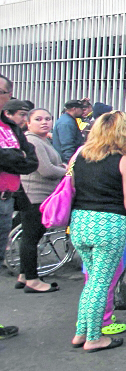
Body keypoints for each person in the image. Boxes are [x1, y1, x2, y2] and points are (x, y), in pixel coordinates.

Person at [69, 112, 126, 352]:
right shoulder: (124, 160)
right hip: (108, 224)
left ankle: (81, 331)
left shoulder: (80, 156)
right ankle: (94, 337)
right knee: (101, 283)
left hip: (80, 222)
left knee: (91, 282)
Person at [18, 108, 67, 293]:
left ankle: (24, 275)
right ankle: (32, 280)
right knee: (31, 238)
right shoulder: (32, 140)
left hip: (41, 195)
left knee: (31, 237)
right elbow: (46, 170)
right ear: (28, 123)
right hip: (35, 195)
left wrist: (60, 167)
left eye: (47, 118)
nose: (44, 122)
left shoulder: (42, 140)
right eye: (38, 119)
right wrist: (68, 171)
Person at [0, 86, 37, 267]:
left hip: (8, 197)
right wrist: (17, 155)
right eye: (22, 115)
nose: (25, 119)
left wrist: (16, 156)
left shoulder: (12, 128)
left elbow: (31, 161)